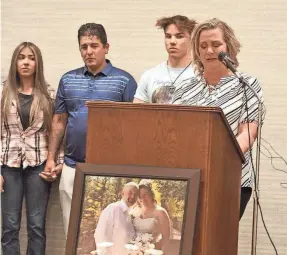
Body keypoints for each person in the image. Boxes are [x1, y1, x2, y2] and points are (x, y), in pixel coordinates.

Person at [43, 23, 138, 237]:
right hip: (72, 165)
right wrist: (51, 158)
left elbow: (133, 125)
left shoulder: (124, 81)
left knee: (105, 233)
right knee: (72, 230)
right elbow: (59, 120)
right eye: (84, 46)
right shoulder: (68, 79)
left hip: (110, 169)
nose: (89, 51)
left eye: (94, 45)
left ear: (106, 47)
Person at [172, 18, 266, 219]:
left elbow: (247, 133)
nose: (209, 51)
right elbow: (174, 133)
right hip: (190, 178)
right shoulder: (184, 88)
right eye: (203, 46)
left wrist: (215, 159)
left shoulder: (247, 84)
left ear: (228, 47)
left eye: (216, 45)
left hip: (232, 180)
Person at [0, 42, 63, 255]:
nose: (26, 62)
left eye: (31, 58)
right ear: (15, 62)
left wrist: (58, 162)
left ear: (38, 63)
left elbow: (57, 131)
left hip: (39, 165)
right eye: (21, 57)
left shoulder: (49, 95)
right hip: (8, 165)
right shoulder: (3, 93)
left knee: (37, 226)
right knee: (10, 226)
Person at [133, 15, 197, 104]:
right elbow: (137, 113)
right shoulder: (149, 75)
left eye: (179, 36)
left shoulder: (201, 75)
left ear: (191, 39)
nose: (172, 41)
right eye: (168, 36)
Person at [94, 182, 139, 255]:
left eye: (136, 194)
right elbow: (101, 235)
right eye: (130, 193)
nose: (133, 196)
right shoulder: (113, 208)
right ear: (122, 193)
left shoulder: (130, 214)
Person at [131, 179, 171, 253]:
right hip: (135, 251)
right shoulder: (135, 210)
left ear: (151, 194)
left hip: (153, 251)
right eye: (140, 196)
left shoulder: (160, 212)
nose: (143, 198)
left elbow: (166, 238)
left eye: (145, 194)